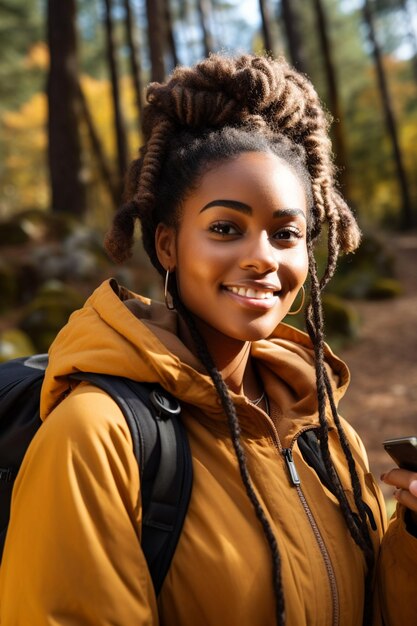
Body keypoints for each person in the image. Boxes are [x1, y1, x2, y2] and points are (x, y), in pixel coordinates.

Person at [0, 53, 416, 626]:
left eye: (286, 233)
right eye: (225, 228)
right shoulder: (97, 436)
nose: (262, 258)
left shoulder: (324, 432)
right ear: (168, 246)